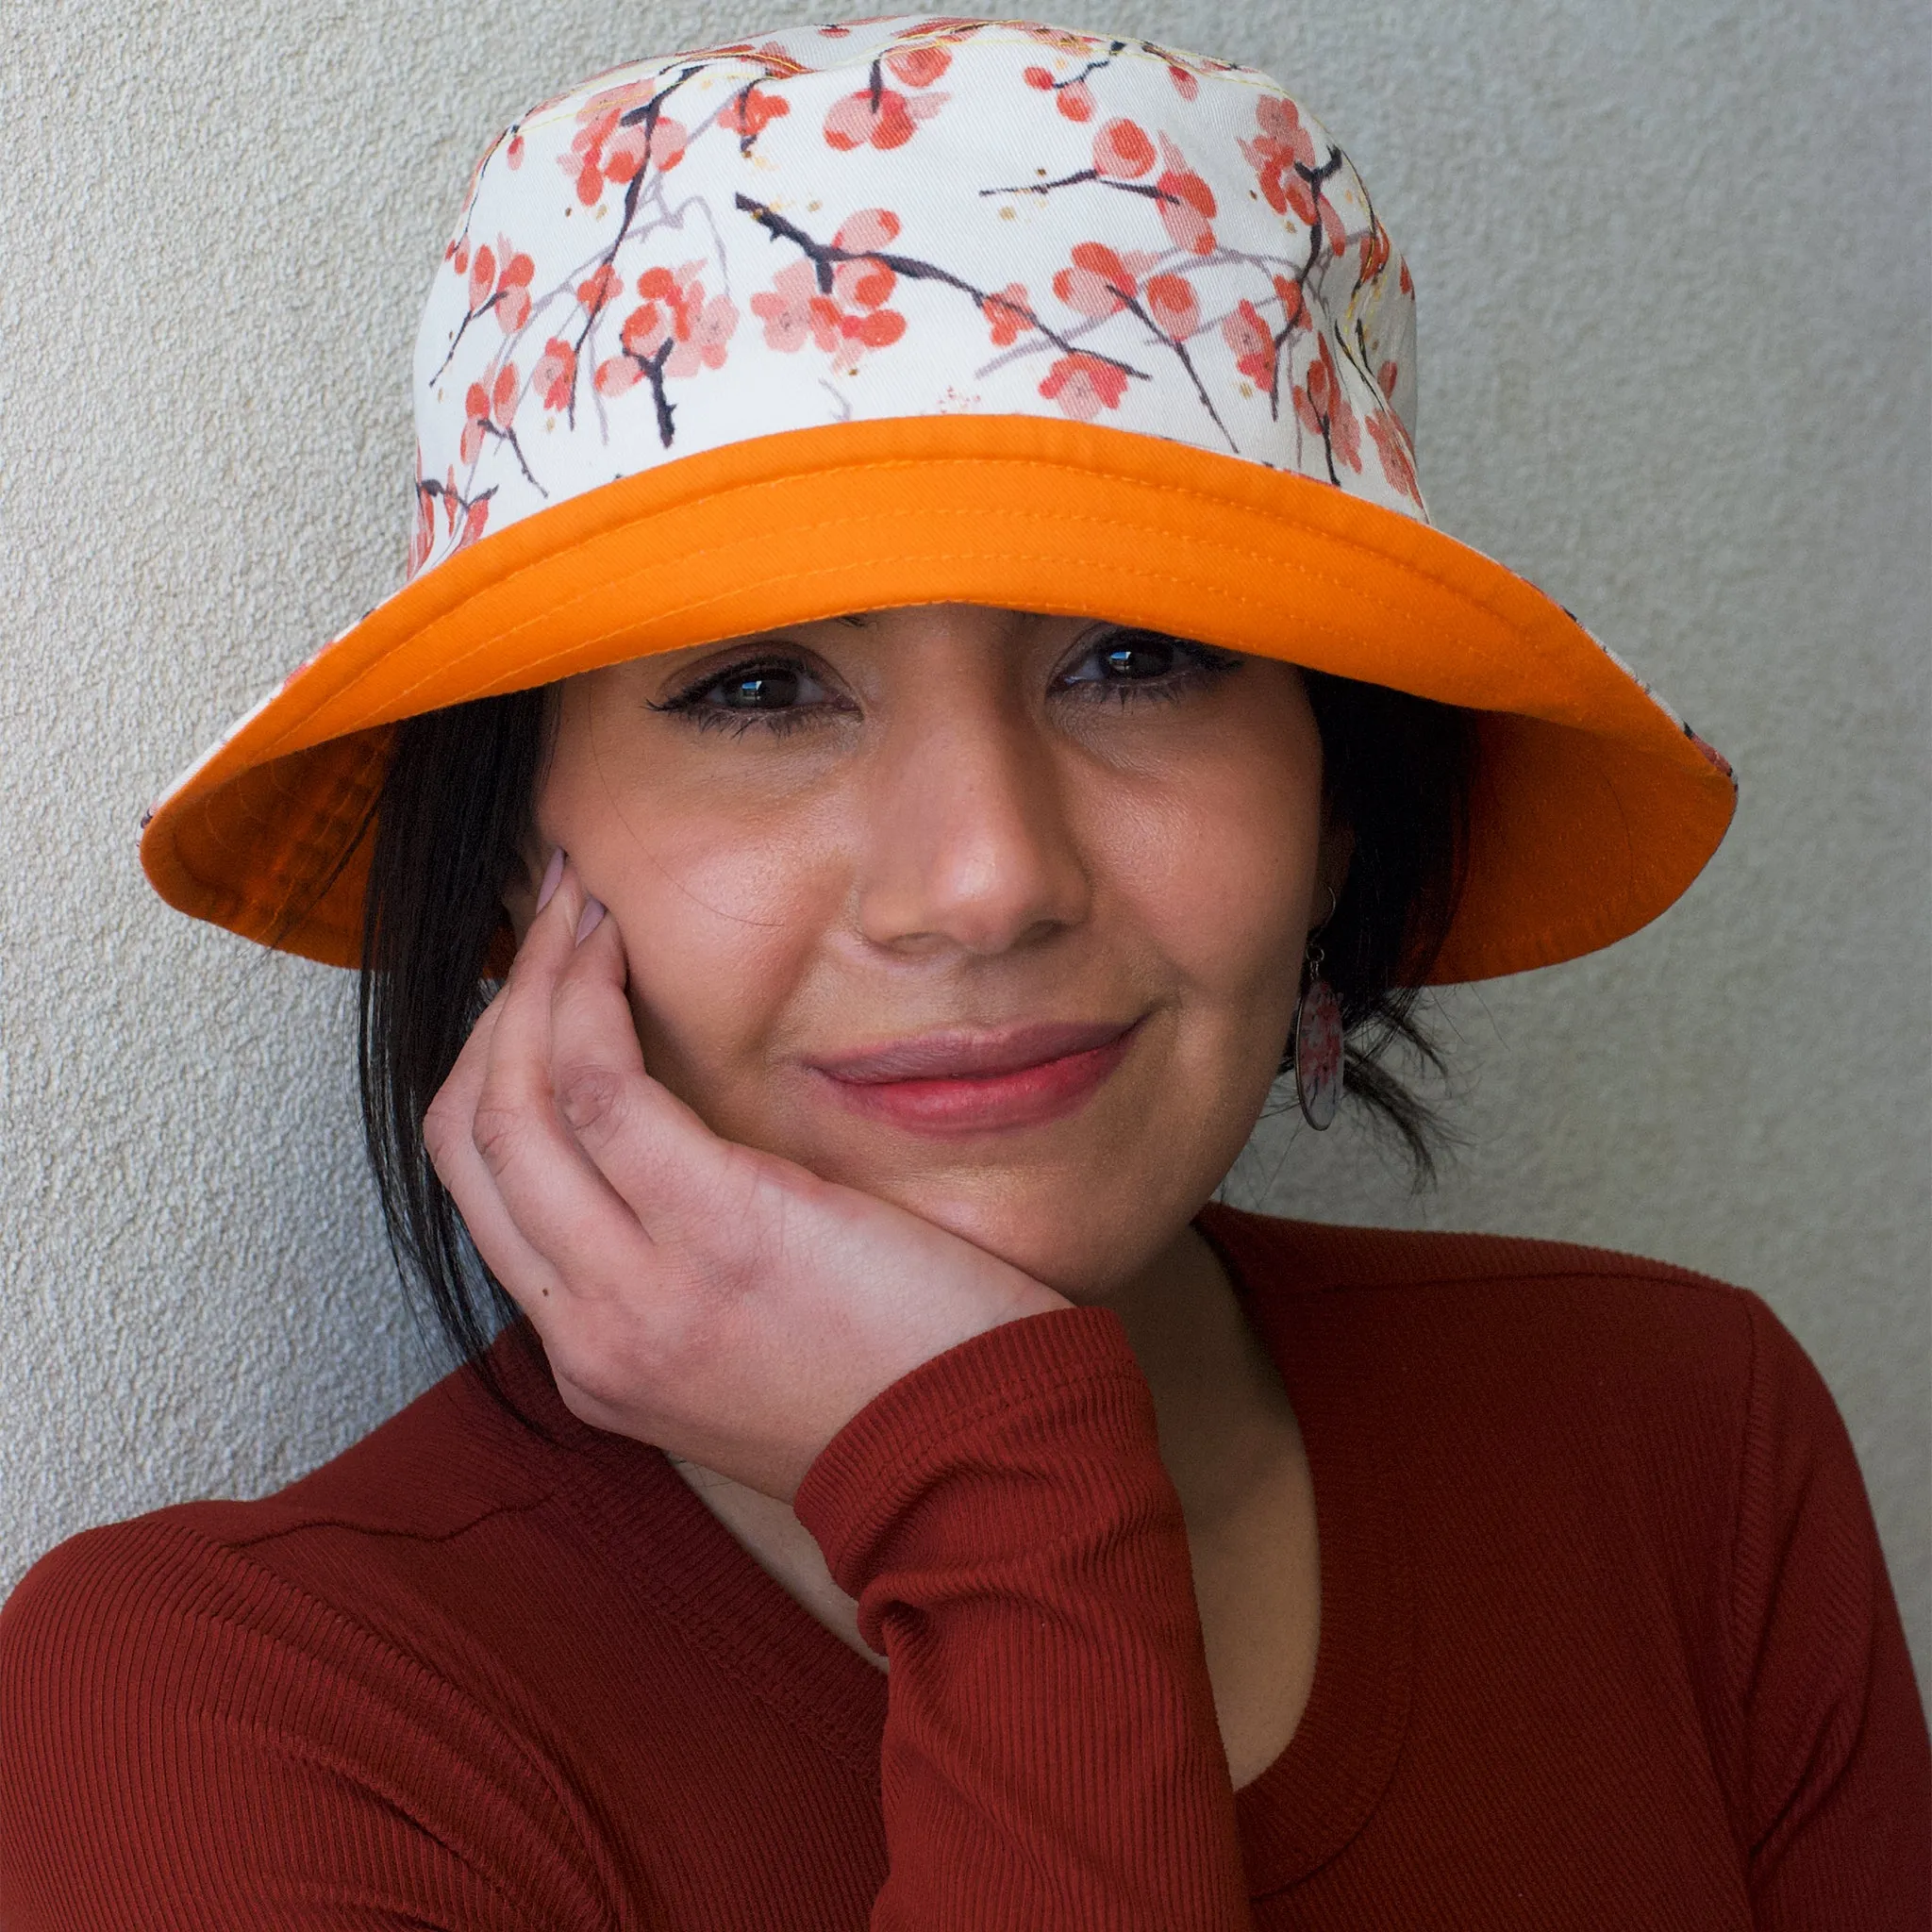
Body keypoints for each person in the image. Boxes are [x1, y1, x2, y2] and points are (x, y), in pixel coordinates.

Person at [0, 15, 1923, 1928]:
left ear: (1337, 799)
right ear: (514, 861)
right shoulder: (231, 1710)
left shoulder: (1676, 1439)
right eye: (759, 689)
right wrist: (1006, 1515)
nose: (987, 879)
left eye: (1140, 658)